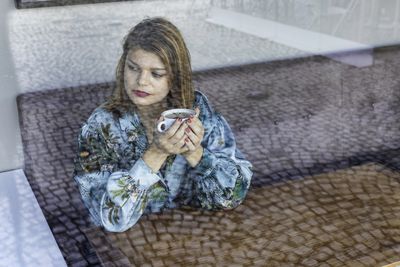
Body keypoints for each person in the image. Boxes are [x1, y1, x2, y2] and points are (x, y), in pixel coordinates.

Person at [73, 17, 253, 232]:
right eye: (133, 68)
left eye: (156, 74)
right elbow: (107, 216)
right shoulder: (102, 124)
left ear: (175, 77)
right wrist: (155, 154)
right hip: (130, 245)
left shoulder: (198, 109)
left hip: (194, 236)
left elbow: (234, 195)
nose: (141, 81)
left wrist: (196, 153)